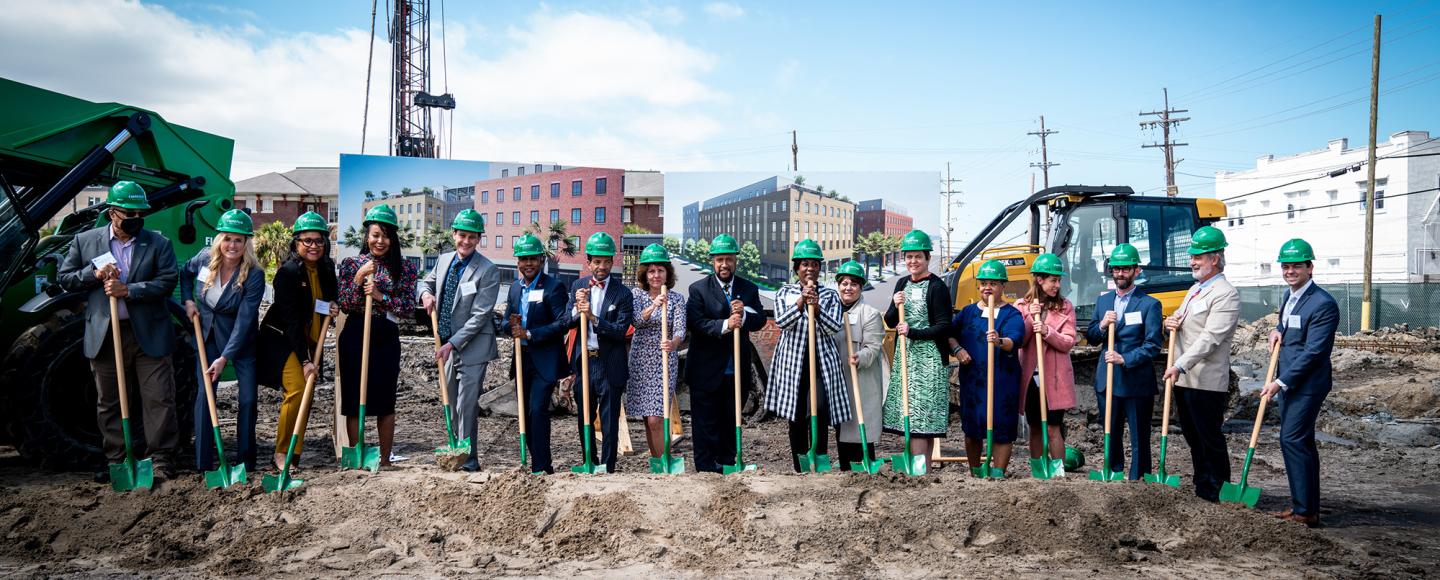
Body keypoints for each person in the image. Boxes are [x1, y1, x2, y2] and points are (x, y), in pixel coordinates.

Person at [57, 181, 181, 482]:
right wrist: (94, 274)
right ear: (112, 213)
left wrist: (130, 290)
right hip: (105, 334)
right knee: (109, 400)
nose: (136, 218)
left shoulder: (157, 243)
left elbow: (167, 281)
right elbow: (65, 278)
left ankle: (161, 459)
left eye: (141, 213)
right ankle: (117, 459)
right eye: (129, 213)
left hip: (149, 334)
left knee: (159, 398)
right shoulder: (85, 242)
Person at [179, 209, 265, 473]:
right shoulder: (205, 259)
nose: (232, 245)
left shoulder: (254, 274)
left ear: (246, 243)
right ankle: (204, 463)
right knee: (205, 396)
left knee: (248, 399)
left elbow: (245, 320)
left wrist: (224, 358)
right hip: (207, 336)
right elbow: (185, 273)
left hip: (242, 342)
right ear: (219, 239)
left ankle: (245, 461)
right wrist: (188, 300)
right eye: (228, 238)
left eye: (239, 240)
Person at [1260, 239, 1339, 527]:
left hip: (1307, 384)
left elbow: (1314, 352)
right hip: (1291, 381)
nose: (1290, 271)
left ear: (1310, 267)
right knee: (1298, 441)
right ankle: (1303, 506)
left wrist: (1279, 382)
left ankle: (1305, 512)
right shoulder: (1290, 295)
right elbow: (1289, 325)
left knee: (1292, 439)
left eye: (1296, 266)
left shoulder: (1323, 304)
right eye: (1286, 266)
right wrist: (1276, 330)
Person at [1163, 226, 1242, 502]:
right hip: (1185, 378)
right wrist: (1168, 322)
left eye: (1199, 256)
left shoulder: (1226, 294)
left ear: (1215, 259)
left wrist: (1179, 364)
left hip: (1206, 380)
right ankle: (1201, 482)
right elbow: (1182, 322)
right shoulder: (1195, 289)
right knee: (1192, 435)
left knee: (1209, 437)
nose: (1192, 261)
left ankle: (1218, 486)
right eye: (1192, 256)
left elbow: (1210, 338)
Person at [336, 204, 417, 468]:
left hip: (385, 335)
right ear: (366, 236)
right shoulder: (351, 264)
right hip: (356, 332)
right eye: (375, 235)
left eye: (385, 235)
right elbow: (345, 303)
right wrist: (359, 279)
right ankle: (356, 454)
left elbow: (407, 309)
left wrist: (382, 297)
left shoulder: (404, 268)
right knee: (352, 398)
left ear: (393, 238)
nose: (379, 241)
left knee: (385, 399)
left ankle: (384, 458)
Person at [419, 209, 500, 472]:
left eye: (472, 237)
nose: (466, 241)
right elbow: (425, 283)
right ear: (453, 234)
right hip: (447, 345)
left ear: (479, 239)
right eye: (461, 235)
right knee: (450, 400)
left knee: (466, 404)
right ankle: (456, 450)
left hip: (473, 346)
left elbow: (480, 316)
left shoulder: (488, 270)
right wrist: (425, 295)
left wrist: (452, 343)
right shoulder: (443, 261)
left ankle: (470, 460)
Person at [257, 211, 337, 471]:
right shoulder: (288, 273)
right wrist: (304, 360)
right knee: (297, 389)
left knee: (307, 394)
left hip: (310, 338)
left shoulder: (327, 268)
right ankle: (280, 453)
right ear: (296, 243)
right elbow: (291, 321)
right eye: (307, 241)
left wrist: (333, 307)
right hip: (283, 339)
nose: (314, 246)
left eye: (319, 241)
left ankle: (294, 453)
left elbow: (328, 299)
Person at [764, 239, 852, 472]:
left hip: (822, 363)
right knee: (796, 414)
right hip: (793, 363)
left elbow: (833, 327)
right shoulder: (784, 293)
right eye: (805, 264)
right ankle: (800, 463)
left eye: (814, 264)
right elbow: (783, 322)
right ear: (796, 269)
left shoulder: (831, 296)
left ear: (819, 268)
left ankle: (820, 456)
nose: (810, 268)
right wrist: (802, 301)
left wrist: (818, 307)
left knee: (821, 409)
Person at [685, 234, 767, 473]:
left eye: (728, 259)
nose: (724, 265)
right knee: (705, 424)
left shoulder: (748, 289)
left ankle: (729, 465)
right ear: (712, 261)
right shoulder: (699, 289)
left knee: (730, 422)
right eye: (719, 259)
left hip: (735, 372)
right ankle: (706, 469)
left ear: (735, 261)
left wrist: (744, 316)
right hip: (705, 371)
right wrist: (725, 325)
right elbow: (696, 323)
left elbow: (760, 319)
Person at [1081, 245, 1163, 479]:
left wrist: (1124, 358)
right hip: (1107, 381)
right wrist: (1103, 325)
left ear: (1137, 271)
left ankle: (1138, 478)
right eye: (1116, 269)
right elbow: (1093, 338)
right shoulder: (1103, 301)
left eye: (1125, 269)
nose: (1120, 274)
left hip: (1136, 381)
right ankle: (1114, 472)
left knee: (1139, 435)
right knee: (1111, 432)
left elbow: (1153, 345)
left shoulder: (1149, 304)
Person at [948, 259, 1025, 476]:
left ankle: (998, 472)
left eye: (993, 283)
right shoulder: (968, 312)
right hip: (973, 379)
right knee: (972, 427)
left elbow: (1016, 339)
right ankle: (975, 471)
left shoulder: (1011, 314)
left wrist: (1000, 341)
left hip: (1003, 380)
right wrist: (958, 350)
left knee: (1002, 426)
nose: (987, 288)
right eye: (983, 283)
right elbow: (950, 334)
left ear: (1003, 286)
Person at [881, 230, 951, 464]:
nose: (913, 261)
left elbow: (944, 326)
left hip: (928, 361)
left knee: (923, 420)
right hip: (907, 359)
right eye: (909, 257)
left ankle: (921, 471)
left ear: (927, 258)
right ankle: (922, 469)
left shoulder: (937, 287)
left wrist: (914, 332)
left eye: (918, 257)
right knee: (910, 416)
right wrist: (894, 303)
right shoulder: (901, 283)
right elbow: (891, 321)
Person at [566, 232, 634, 473]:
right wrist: (576, 308)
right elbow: (566, 321)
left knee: (608, 420)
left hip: (610, 364)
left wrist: (593, 317)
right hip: (585, 361)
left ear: (612, 261)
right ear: (589, 262)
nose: (602, 266)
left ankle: (608, 467)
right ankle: (589, 462)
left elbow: (619, 331)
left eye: (606, 261)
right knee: (583, 416)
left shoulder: (623, 293)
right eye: (597, 261)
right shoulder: (577, 286)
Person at [506, 233, 571, 474]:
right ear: (518, 263)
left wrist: (530, 333)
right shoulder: (514, 288)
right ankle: (537, 463)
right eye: (524, 259)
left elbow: (563, 323)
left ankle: (543, 466)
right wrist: (510, 326)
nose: (528, 264)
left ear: (541, 260)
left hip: (545, 361)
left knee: (537, 409)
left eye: (533, 259)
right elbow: (506, 322)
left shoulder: (554, 287)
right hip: (521, 360)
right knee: (525, 412)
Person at [1016, 253, 1079, 474]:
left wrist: (1046, 330)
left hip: (1054, 378)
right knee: (1035, 427)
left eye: (1058, 280)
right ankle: (1038, 472)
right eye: (1053, 280)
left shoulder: (1065, 307)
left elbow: (1068, 342)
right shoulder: (1022, 306)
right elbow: (1019, 340)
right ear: (1039, 280)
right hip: (1031, 378)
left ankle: (1058, 472)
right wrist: (1029, 319)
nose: (1057, 285)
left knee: (1053, 427)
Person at [627, 244, 686, 459]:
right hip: (641, 359)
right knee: (648, 418)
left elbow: (680, 329)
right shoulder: (636, 295)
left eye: (660, 270)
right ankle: (657, 462)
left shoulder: (677, 299)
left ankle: (665, 461)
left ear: (667, 273)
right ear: (645, 273)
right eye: (651, 271)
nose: (656, 275)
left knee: (656, 418)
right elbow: (635, 321)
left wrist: (674, 343)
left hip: (664, 360)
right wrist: (654, 305)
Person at [832, 260, 887, 471]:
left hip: (860, 378)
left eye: (853, 284)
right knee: (842, 427)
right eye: (844, 283)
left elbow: (873, 347)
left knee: (859, 426)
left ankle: (863, 467)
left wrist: (859, 357)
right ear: (838, 285)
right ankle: (846, 468)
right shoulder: (832, 311)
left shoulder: (869, 313)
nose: (848, 288)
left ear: (860, 287)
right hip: (838, 378)